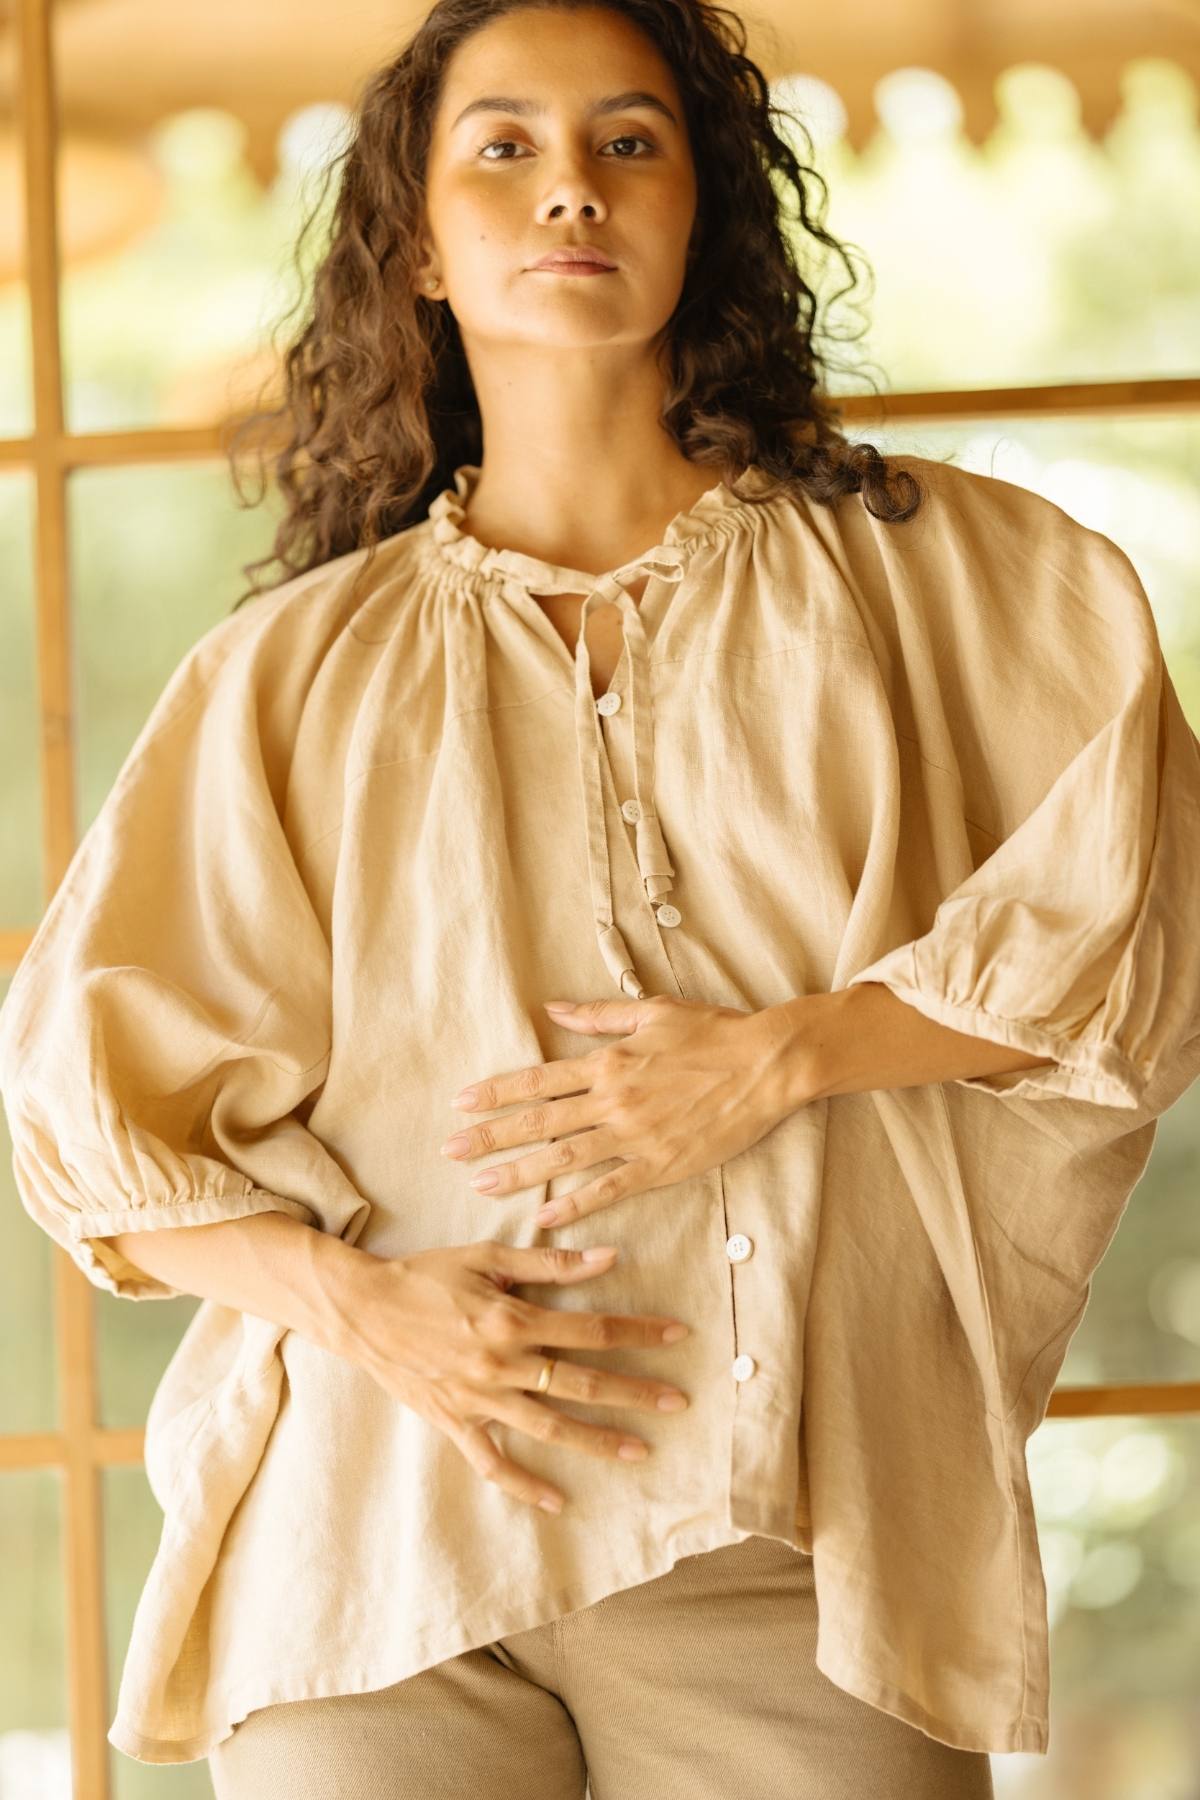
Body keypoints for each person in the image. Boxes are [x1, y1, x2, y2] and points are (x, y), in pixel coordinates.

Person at [2, 0, 1199, 1795]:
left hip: (782, 1537)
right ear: (416, 237)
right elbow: (91, 1145)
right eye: (504, 148)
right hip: (370, 1544)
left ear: (700, 208)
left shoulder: (948, 580)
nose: (569, 188)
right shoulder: (290, 673)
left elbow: (1144, 920)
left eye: (628, 142)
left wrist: (785, 1055)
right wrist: (366, 1310)